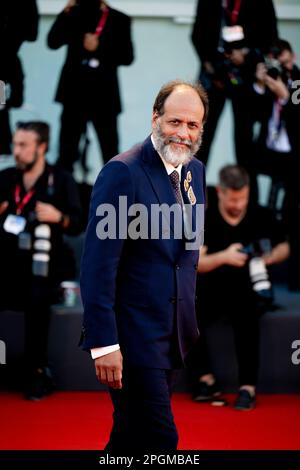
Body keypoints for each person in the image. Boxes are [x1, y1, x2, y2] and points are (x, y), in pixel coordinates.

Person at [80, 80, 208, 452]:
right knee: (160, 439)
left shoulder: (195, 171)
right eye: (175, 122)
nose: (183, 133)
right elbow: (98, 266)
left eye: (192, 125)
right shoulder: (123, 172)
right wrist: (103, 343)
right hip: (133, 339)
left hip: (174, 336)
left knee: (129, 438)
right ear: (155, 118)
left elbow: (186, 254)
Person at [187, 165, 289, 410]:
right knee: (184, 313)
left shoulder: (261, 215)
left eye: (242, 198)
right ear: (220, 192)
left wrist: (270, 256)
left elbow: (284, 246)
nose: (238, 205)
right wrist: (224, 257)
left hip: (249, 288)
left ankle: (248, 388)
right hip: (211, 286)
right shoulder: (205, 218)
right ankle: (205, 380)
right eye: (233, 199)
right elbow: (196, 262)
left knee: (247, 318)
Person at [0, 121, 82, 400]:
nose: (17, 150)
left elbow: (78, 223)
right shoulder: (6, 178)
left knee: (38, 296)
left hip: (45, 266)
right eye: (15, 144)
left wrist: (59, 217)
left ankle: (37, 371)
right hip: (8, 263)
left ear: (42, 147)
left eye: (23, 145)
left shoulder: (61, 179)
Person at [47, 0, 134, 173]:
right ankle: (64, 196)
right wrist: (64, 14)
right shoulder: (72, 14)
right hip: (74, 93)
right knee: (66, 152)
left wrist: (100, 47)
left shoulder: (119, 19)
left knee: (109, 151)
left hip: (104, 96)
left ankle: (114, 196)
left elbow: (127, 56)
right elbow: (52, 42)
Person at [191, 0, 278, 167]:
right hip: (214, 78)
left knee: (245, 145)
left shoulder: (262, 3)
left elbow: (270, 37)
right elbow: (197, 35)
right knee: (201, 140)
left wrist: (246, 55)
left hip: (247, 79)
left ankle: (247, 191)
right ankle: (191, 190)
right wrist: (211, 64)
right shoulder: (208, 3)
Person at [251, 39, 300, 290]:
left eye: (285, 59)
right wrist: (260, 85)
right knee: (262, 205)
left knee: (291, 210)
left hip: (292, 155)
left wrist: (286, 97)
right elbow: (253, 114)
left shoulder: (298, 81)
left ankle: (291, 269)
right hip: (268, 152)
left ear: (292, 56)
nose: (283, 65)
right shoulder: (270, 80)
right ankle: (261, 259)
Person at [0, 0, 39, 155]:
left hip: (6, 69)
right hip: (7, 68)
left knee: (1, 113)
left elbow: (31, 33)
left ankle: (5, 155)